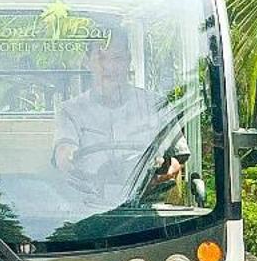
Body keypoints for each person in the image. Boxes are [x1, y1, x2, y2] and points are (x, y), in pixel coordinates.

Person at [52, 32, 183, 195]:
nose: (109, 67)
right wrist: (78, 169)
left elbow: (177, 160)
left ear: (129, 60)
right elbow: (64, 157)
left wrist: (158, 175)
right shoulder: (70, 111)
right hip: (86, 206)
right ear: (87, 62)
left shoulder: (156, 105)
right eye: (101, 58)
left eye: (118, 58)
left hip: (145, 205)